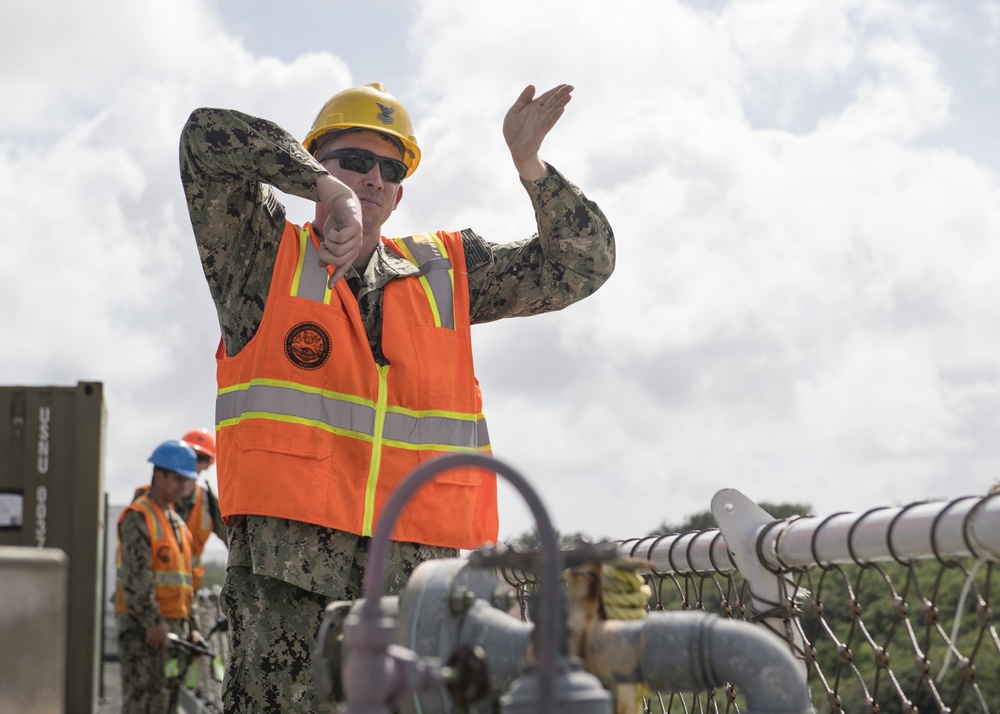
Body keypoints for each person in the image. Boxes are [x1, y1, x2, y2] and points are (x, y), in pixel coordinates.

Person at [179, 81, 615, 711]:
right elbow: (205, 137)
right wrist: (323, 193)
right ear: (317, 163)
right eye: (352, 162)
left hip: (416, 599)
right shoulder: (259, 261)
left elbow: (584, 264)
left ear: (399, 192)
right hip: (290, 605)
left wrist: (531, 167)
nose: (372, 178)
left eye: (389, 168)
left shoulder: (445, 271)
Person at [116, 440, 203, 713]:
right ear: (159, 476)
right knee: (143, 705)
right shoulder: (139, 517)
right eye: (177, 479)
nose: (183, 487)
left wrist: (194, 627)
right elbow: (135, 579)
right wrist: (153, 623)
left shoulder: (177, 523)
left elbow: (186, 583)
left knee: (167, 706)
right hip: (145, 635)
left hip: (174, 636)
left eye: (187, 480)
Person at [134, 428, 228, 591]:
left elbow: (235, 545)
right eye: (188, 453)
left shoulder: (210, 505)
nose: (191, 461)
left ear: (208, 465)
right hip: (149, 595)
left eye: (200, 457)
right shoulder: (148, 498)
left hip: (186, 596)